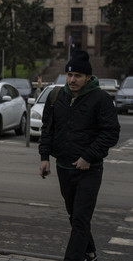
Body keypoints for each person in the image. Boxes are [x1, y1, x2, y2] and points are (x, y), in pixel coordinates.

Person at [39, 50, 119, 261]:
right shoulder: (57, 96)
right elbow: (47, 129)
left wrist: (88, 157)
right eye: (69, 75)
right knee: (75, 216)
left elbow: (111, 133)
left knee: (81, 218)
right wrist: (44, 157)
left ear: (88, 78)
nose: (72, 80)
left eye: (78, 76)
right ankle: (90, 252)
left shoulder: (101, 99)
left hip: (89, 170)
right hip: (64, 168)